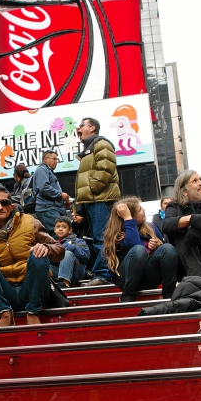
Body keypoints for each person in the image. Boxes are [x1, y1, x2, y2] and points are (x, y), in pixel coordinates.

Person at [0, 185, 65, 327]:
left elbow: (59, 250)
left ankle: (33, 312)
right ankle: (5, 314)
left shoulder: (30, 222)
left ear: (12, 206)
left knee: (38, 253)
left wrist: (46, 247)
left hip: (34, 290)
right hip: (6, 293)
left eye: (4, 202)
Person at [102, 197, 178, 302]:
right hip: (126, 280)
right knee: (139, 250)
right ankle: (128, 296)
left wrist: (155, 248)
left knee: (168, 248)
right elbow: (134, 245)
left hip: (148, 277)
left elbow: (165, 254)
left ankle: (170, 294)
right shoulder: (116, 234)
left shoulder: (150, 227)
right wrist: (128, 219)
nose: (144, 210)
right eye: (140, 209)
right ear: (132, 216)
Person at [75, 117, 121, 286]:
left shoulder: (101, 143)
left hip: (100, 199)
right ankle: (102, 273)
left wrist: (93, 188)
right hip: (93, 201)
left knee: (101, 238)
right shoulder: (89, 148)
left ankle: (102, 275)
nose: (78, 128)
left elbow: (105, 169)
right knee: (97, 238)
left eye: (82, 125)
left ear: (92, 128)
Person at [163, 170, 201, 279]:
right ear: (185, 191)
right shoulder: (175, 206)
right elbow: (166, 225)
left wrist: (198, 227)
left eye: (200, 180)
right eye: (195, 181)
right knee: (182, 233)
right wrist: (192, 220)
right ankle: (197, 279)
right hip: (185, 259)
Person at [32, 150, 70, 236]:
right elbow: (44, 187)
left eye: (57, 159)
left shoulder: (47, 171)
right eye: (54, 159)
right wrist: (60, 195)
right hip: (47, 209)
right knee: (58, 234)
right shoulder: (42, 169)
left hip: (52, 208)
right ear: (45, 159)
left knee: (60, 234)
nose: (56, 161)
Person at [52, 215, 89, 287]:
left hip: (77, 271)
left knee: (67, 253)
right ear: (54, 230)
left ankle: (65, 284)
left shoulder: (78, 240)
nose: (60, 229)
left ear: (70, 230)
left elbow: (85, 256)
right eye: (58, 227)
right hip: (59, 270)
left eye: (64, 227)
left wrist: (70, 247)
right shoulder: (53, 243)